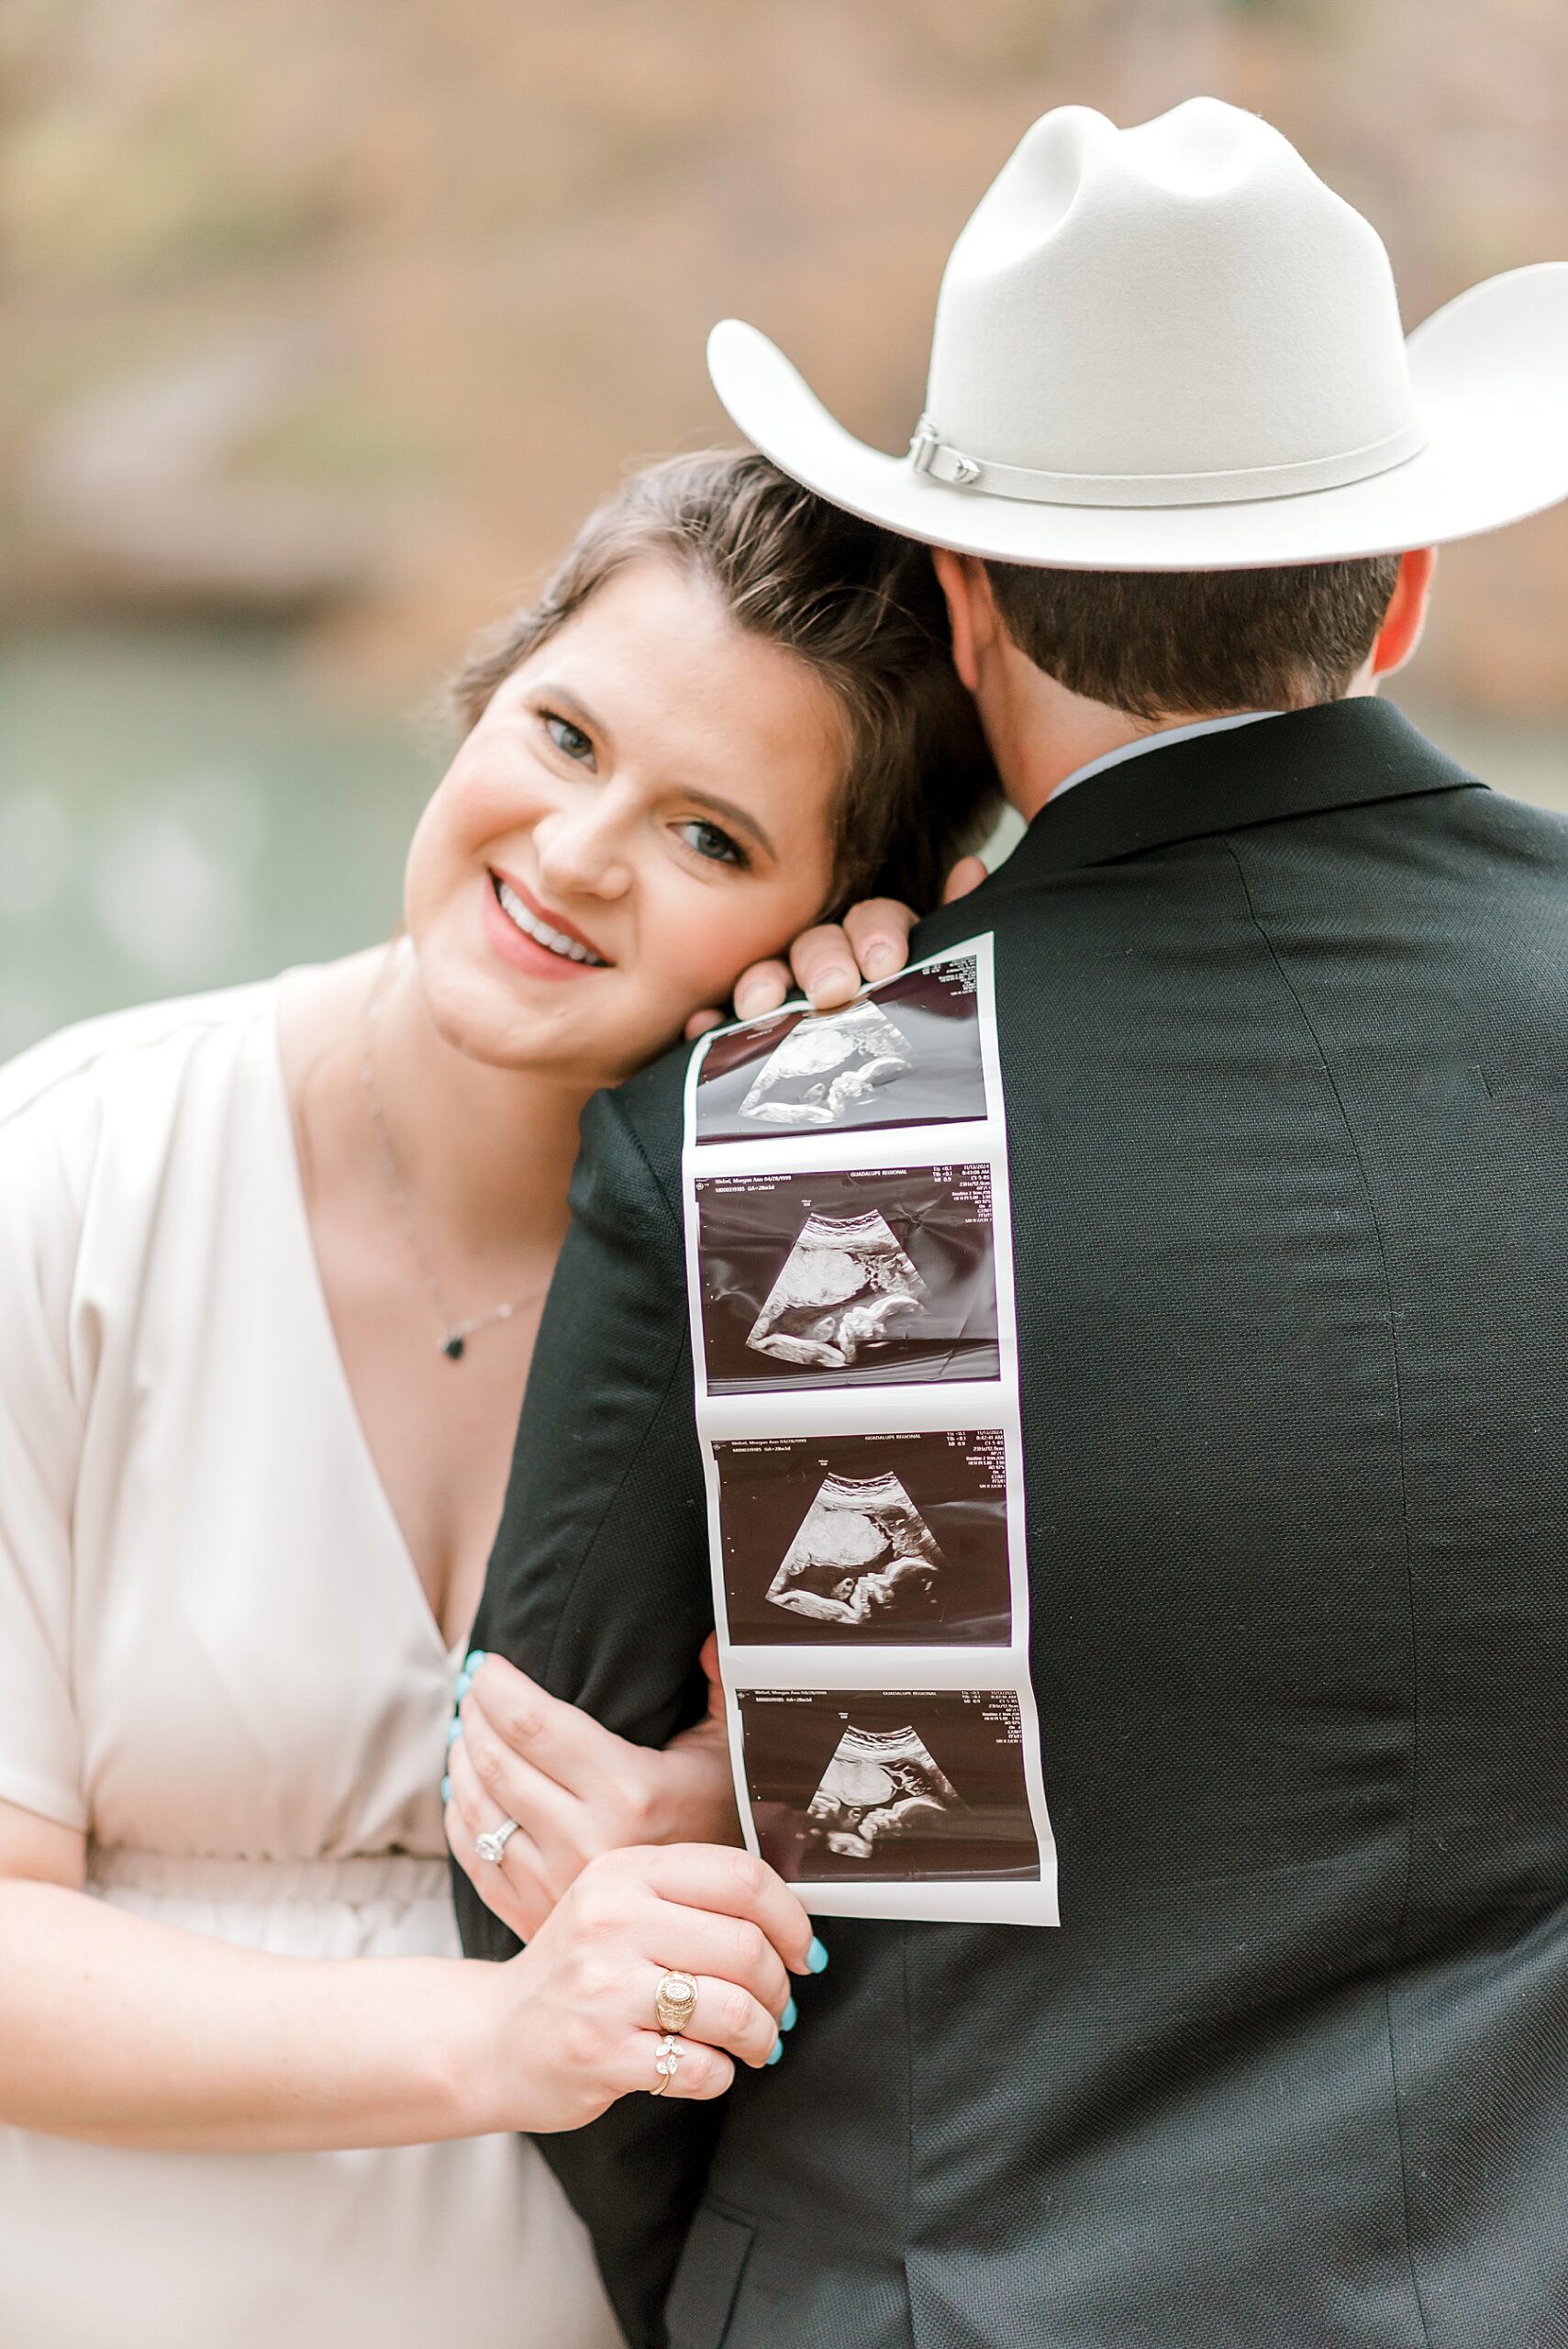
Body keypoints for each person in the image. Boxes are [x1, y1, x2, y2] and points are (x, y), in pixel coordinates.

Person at [457, 98, 1568, 2348]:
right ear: (1408, 579)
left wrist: (769, 2277)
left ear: (959, 610)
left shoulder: (774, 1123)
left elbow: (555, 1904)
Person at [0, 450, 999, 2349]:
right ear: (486, 687)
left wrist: (745, 1815)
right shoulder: (66, 1171)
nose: (576, 850)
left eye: (712, 837)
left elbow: (972, 1873)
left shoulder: (846, 1255)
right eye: (563, 734)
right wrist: (499, 2025)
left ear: (838, 914)